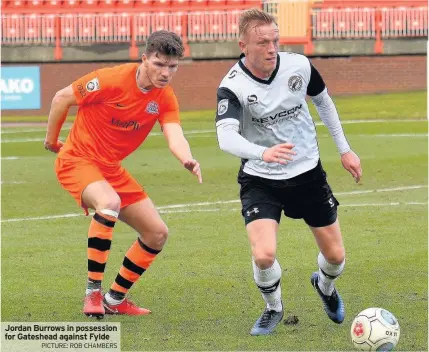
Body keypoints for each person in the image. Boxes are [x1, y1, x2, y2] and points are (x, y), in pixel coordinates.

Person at [215, 8, 362, 336]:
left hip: (307, 173)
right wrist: (262, 153)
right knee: (264, 255)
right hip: (261, 178)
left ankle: (324, 285)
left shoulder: (298, 65)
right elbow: (225, 136)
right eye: (262, 42)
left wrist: (345, 149)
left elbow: (323, 101)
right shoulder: (233, 86)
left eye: (275, 40)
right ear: (243, 45)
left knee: (336, 257)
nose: (271, 48)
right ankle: (273, 308)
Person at [44, 30, 202, 318]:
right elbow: (60, 98)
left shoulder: (164, 98)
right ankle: (92, 293)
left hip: (110, 169)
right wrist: (52, 142)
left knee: (156, 234)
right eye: (159, 64)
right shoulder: (109, 80)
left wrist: (187, 158)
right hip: (77, 160)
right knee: (110, 203)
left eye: (172, 66)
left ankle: (114, 299)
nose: (165, 72)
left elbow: (174, 134)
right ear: (144, 59)